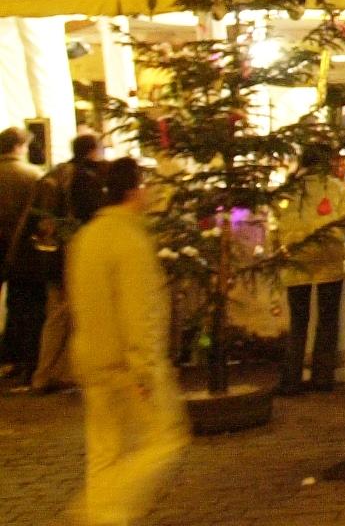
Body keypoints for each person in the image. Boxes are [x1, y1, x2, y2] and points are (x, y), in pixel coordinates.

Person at [64, 157, 188, 526]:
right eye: (145, 185)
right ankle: (99, 510)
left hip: (91, 361)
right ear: (134, 191)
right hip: (126, 367)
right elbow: (140, 312)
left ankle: (101, 516)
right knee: (166, 440)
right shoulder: (130, 240)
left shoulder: (87, 237)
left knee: (104, 452)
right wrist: (145, 370)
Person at [272, 144, 345, 395]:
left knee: (298, 321)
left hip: (296, 261)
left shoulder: (287, 191)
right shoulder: (338, 188)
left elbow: (274, 225)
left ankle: (291, 380)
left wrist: (279, 248)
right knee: (328, 319)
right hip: (330, 259)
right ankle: (323, 377)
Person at [27, 133, 106, 392]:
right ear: (92, 151)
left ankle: (52, 373)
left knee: (57, 315)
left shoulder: (59, 172)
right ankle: (50, 374)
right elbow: (88, 215)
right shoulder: (84, 177)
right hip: (71, 252)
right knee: (67, 313)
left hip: (51, 253)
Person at [1, 125, 44, 381]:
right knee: (22, 304)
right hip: (20, 249)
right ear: (19, 147)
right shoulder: (32, 176)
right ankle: (22, 358)